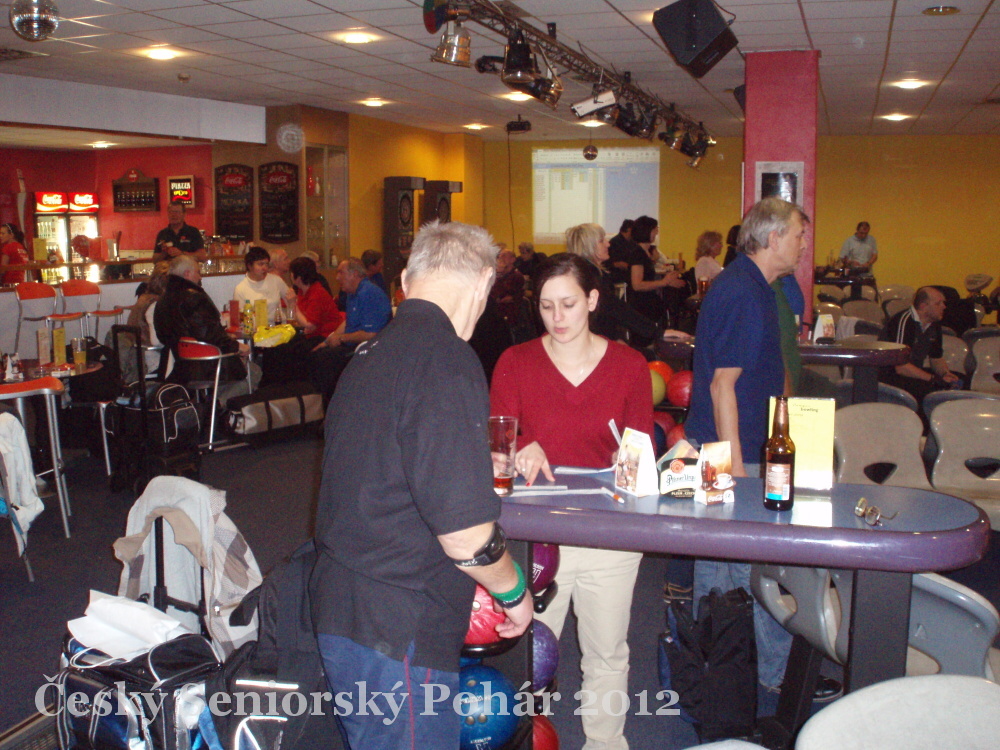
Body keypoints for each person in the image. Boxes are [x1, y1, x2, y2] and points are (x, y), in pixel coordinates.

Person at [311, 220, 533, 749]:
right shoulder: (447, 360)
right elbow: (466, 536)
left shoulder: (367, 357)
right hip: (397, 624)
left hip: (343, 602)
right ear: (483, 281)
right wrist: (516, 592)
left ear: (406, 280)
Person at [491, 253, 652, 750]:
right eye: (546, 307)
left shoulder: (628, 366)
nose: (557, 318)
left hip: (609, 536)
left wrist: (643, 462)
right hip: (538, 543)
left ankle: (607, 744)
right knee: (527, 662)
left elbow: (640, 453)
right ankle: (527, 742)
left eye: (568, 304)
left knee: (607, 654)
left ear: (594, 300)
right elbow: (494, 448)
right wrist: (516, 448)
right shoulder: (514, 362)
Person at [685, 197, 809, 697]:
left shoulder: (757, 286)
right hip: (730, 455)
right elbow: (722, 387)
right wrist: (737, 469)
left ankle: (728, 671)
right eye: (799, 233)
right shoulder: (741, 291)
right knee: (739, 570)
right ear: (773, 237)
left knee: (725, 571)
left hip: (735, 449)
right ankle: (754, 675)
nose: (804, 245)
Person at [153, 255, 259, 404]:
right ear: (187, 274)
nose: (200, 276)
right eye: (198, 272)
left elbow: (162, 335)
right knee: (254, 371)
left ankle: (206, 405)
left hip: (181, 366)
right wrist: (236, 346)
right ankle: (216, 408)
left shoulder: (162, 300)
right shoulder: (194, 298)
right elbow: (210, 334)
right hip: (209, 365)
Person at [308, 257, 392, 399]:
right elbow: (348, 322)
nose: (337, 278)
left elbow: (372, 334)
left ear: (354, 274)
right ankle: (316, 404)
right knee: (315, 349)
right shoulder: (352, 293)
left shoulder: (369, 293)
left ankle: (329, 404)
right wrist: (327, 341)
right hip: (352, 341)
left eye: (341, 273)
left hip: (369, 347)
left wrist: (340, 338)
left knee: (325, 360)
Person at [565, 222, 661, 345]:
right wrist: (657, 332)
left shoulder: (585, 272)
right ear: (589, 246)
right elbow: (614, 308)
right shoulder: (591, 276)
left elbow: (608, 312)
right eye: (601, 241)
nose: (608, 244)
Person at [258, 256, 344, 386]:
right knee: (273, 347)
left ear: (297, 277)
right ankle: (270, 386)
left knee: (288, 351)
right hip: (310, 333)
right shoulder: (304, 292)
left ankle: (283, 387)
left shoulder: (317, 293)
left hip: (324, 335)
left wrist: (293, 305)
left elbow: (310, 324)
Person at [879, 286, 960, 405]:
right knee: (931, 389)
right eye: (938, 303)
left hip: (912, 373)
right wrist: (934, 379)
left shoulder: (934, 324)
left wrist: (945, 374)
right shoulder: (904, 322)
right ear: (923, 306)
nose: (944, 306)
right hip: (891, 376)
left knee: (961, 380)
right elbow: (901, 367)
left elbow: (936, 358)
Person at [625, 216, 687, 331]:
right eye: (655, 229)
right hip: (641, 306)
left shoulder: (645, 253)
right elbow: (637, 285)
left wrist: (667, 283)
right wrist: (664, 282)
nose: (657, 232)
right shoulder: (637, 254)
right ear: (646, 231)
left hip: (647, 303)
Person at [233, 246, 294, 326]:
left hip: (279, 327)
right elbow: (239, 319)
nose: (264, 268)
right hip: (256, 332)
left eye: (266, 264)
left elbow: (291, 303)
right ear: (249, 266)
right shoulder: (240, 289)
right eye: (260, 264)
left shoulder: (276, 280)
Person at [489, 247, 524, 327]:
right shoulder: (495, 276)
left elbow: (516, 296)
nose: (501, 259)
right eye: (500, 256)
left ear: (513, 260)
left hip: (509, 315)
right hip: (494, 313)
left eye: (504, 256)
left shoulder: (516, 276)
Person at [607, 218, 636, 286]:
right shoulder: (614, 242)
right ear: (629, 229)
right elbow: (610, 263)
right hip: (619, 276)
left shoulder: (632, 242)